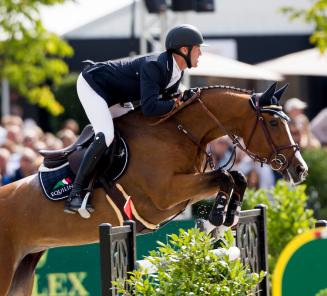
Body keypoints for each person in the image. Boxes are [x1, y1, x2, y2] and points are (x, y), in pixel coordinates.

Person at [64, 24, 205, 214]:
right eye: (198, 49)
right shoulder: (155, 65)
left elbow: (167, 104)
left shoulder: (176, 72)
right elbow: (149, 108)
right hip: (94, 85)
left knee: (132, 134)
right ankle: (76, 192)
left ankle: (112, 181)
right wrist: (178, 103)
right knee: (106, 135)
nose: (201, 54)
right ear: (184, 50)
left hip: (117, 96)